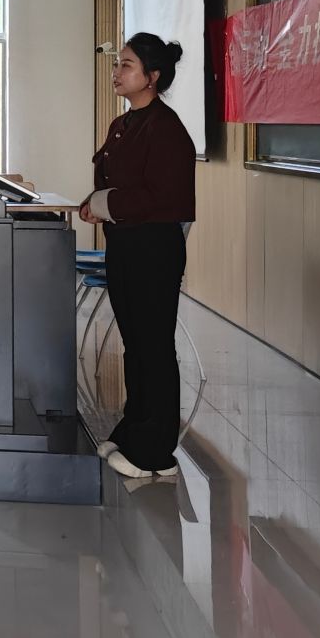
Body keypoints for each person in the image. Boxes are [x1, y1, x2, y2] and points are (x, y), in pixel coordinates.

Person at [80, 33, 197, 482]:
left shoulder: (166, 129)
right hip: (125, 244)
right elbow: (114, 182)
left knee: (154, 345)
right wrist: (96, 203)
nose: (117, 71)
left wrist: (104, 203)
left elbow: (160, 196)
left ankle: (156, 453)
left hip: (154, 248)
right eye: (118, 64)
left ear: (152, 76)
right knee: (135, 343)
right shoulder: (123, 123)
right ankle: (134, 430)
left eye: (127, 65)